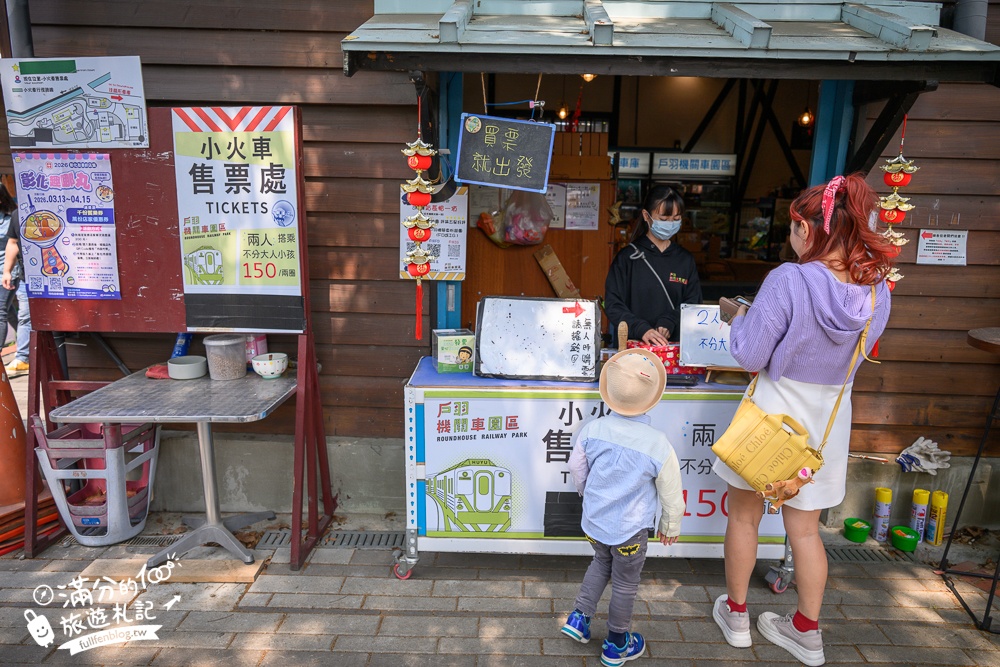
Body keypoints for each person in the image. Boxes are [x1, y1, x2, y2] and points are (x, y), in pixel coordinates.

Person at [711, 173, 894, 666]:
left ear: (815, 230)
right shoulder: (878, 293)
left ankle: (737, 616)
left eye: (795, 225)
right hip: (828, 425)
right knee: (807, 532)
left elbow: (751, 354)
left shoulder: (789, 279)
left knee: (744, 516)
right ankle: (807, 632)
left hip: (771, 420)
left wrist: (738, 321)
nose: (790, 235)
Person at [561, 347, 685, 666]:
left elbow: (577, 467)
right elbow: (671, 491)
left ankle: (579, 618)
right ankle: (616, 643)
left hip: (596, 523)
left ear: (608, 394)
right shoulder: (657, 443)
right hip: (630, 532)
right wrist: (670, 526)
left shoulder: (593, 430)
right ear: (652, 397)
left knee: (600, 563)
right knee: (626, 583)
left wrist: (586, 492)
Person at [604, 184, 702, 347]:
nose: (670, 224)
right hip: (633, 351)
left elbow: (693, 303)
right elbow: (613, 304)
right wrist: (641, 329)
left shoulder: (685, 260)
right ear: (646, 216)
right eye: (663, 219)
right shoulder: (627, 258)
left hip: (674, 353)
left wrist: (670, 321)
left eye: (676, 219)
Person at [0, 181, 30, 378]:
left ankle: (22, 356)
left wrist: (7, 270)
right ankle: (24, 352)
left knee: (4, 311)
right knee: (11, 312)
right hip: (13, 272)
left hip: (11, 271)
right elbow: (12, 242)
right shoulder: (16, 215)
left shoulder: (12, 215)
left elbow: (12, 243)